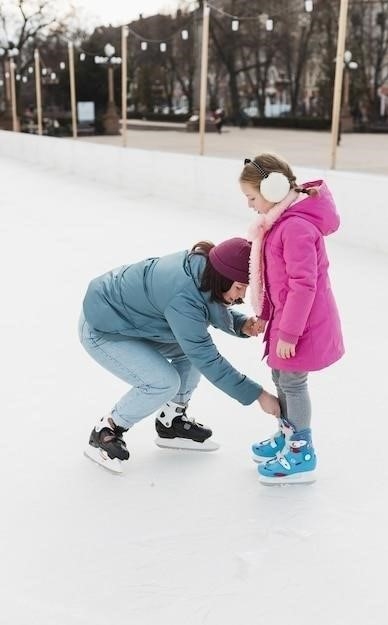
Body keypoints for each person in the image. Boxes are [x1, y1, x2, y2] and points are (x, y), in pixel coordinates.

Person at [79, 237, 279, 473]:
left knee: (188, 353)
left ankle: (170, 422)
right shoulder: (183, 297)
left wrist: (240, 323)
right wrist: (258, 394)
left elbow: (206, 304)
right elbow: (206, 356)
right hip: (102, 328)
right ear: (221, 277)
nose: (241, 297)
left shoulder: (205, 269)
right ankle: (107, 429)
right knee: (163, 382)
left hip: (136, 321)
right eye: (238, 288)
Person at [239, 154, 344, 485]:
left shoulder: (295, 227)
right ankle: (289, 435)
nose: (249, 205)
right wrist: (268, 318)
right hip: (287, 321)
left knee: (293, 382)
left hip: (301, 325)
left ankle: (301, 451)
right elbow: (274, 280)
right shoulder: (280, 223)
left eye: (252, 197)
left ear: (272, 189)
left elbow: (303, 285)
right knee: (281, 377)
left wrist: (288, 333)